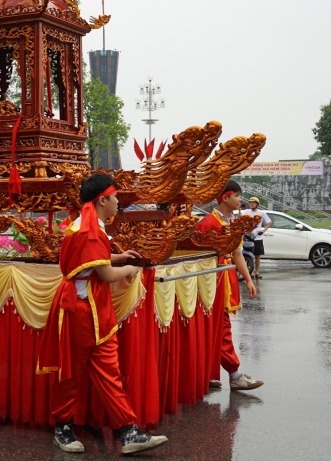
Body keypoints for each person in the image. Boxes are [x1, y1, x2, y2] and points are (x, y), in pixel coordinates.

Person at [37, 173, 169, 455]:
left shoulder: (85, 225)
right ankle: (62, 428)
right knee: (71, 374)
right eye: (115, 196)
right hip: (79, 311)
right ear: (103, 199)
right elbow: (106, 274)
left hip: (94, 310)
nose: (118, 201)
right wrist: (129, 269)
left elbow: (92, 260)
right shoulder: (89, 230)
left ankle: (128, 431)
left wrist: (118, 257)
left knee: (110, 373)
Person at [196, 180, 263, 392]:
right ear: (225, 197)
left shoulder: (232, 221)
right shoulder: (208, 223)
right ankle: (234, 375)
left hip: (225, 277)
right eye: (236, 196)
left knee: (218, 327)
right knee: (220, 328)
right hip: (211, 281)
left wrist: (249, 279)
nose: (240, 200)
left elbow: (237, 254)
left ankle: (207, 374)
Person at [241, 197, 272, 279]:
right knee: (248, 255)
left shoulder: (261, 213)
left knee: (257, 255)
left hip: (257, 237)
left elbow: (269, 222)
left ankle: (257, 271)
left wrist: (263, 230)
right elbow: (241, 221)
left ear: (257, 204)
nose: (251, 204)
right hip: (247, 236)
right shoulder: (246, 212)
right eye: (250, 202)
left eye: (253, 202)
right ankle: (249, 271)